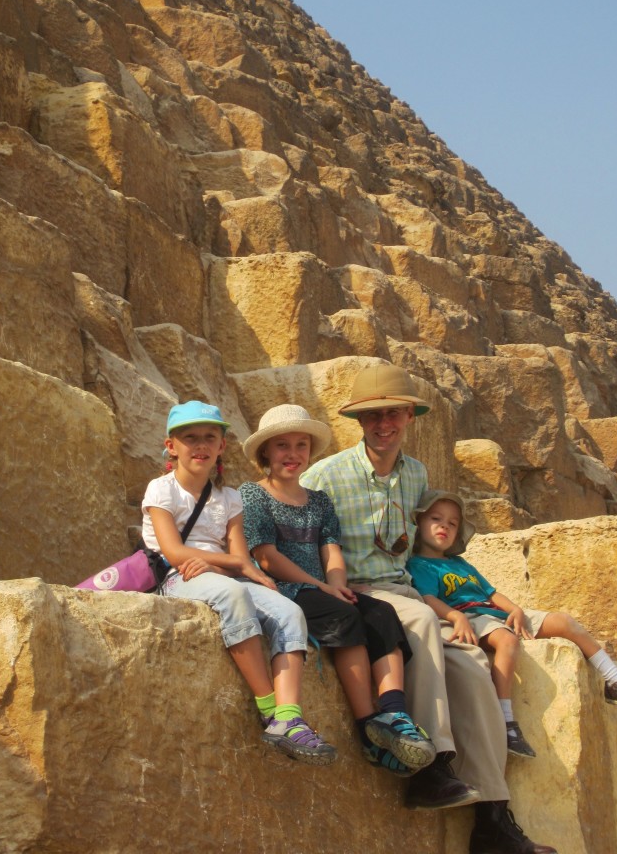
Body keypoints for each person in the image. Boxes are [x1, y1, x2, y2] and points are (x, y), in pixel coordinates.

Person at [301, 363, 557, 854]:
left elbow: (426, 549)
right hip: (359, 593)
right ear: (359, 421)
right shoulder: (325, 475)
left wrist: (463, 605)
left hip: (407, 592)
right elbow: (295, 529)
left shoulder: (416, 475)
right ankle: (430, 767)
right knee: (418, 620)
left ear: (409, 417)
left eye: (393, 414)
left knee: (473, 668)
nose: (384, 424)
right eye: (373, 415)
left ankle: (493, 820)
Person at [239, 403, 436, 777]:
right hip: (283, 588)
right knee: (343, 615)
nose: (293, 454)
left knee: (380, 612)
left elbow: (331, 550)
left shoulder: (318, 500)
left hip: (319, 588)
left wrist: (338, 585)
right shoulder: (253, 494)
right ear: (265, 452)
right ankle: (367, 727)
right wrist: (322, 587)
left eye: (301, 445)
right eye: (282, 446)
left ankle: (394, 713)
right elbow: (266, 556)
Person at [142, 399, 336, 765]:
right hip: (180, 577)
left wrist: (235, 568)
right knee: (233, 594)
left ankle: (290, 716)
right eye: (190, 438)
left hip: (218, 575)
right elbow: (174, 552)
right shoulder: (161, 489)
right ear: (171, 446)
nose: (201, 445)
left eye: (209, 437)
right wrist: (230, 563)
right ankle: (269, 709)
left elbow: (241, 557)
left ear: (221, 446)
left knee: (289, 612)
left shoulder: (229, 498)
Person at [408, 489, 617, 758]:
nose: (444, 526)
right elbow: (429, 598)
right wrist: (456, 617)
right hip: (471, 617)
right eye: (436, 519)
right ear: (419, 522)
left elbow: (490, 593)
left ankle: (614, 679)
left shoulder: (460, 564)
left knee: (564, 621)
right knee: (507, 641)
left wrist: (515, 609)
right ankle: (506, 721)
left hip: (495, 613)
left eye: (453, 523)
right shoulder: (420, 565)